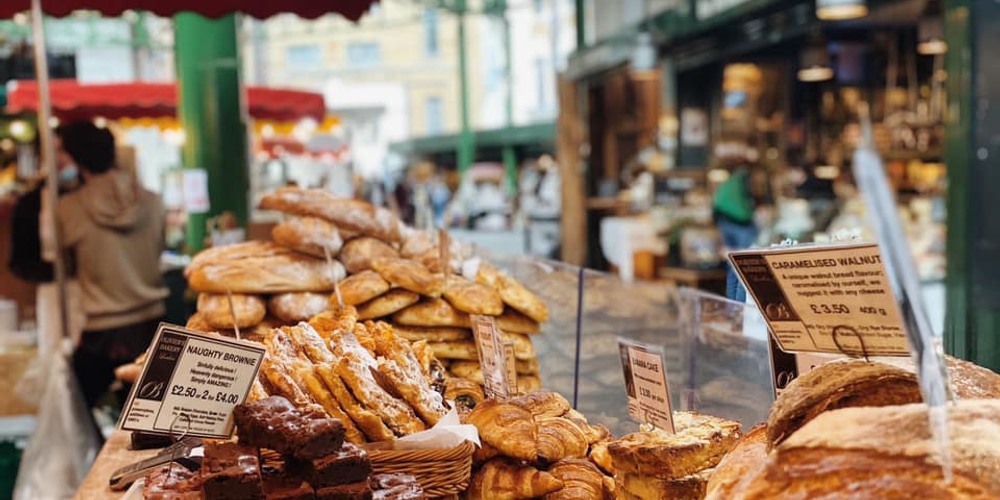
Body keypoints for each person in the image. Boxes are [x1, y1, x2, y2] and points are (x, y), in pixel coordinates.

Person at [54, 121, 168, 412]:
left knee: (86, 413)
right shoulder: (153, 202)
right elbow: (159, 249)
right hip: (154, 325)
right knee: (155, 420)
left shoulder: (68, 209)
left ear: (75, 159)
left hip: (101, 333)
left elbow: (64, 267)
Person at [713, 156, 769, 301]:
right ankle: (740, 308)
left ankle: (732, 307)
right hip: (740, 221)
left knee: (733, 264)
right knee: (745, 264)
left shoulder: (731, 179)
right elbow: (752, 194)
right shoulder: (746, 176)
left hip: (723, 219)